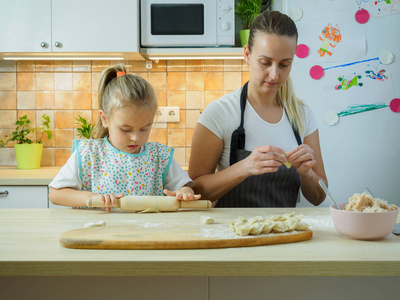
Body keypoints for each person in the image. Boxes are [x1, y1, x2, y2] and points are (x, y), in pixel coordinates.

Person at [189, 10, 327, 207]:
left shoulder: (303, 115)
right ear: (247, 54)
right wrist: (245, 167)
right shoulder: (219, 113)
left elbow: (319, 197)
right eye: (265, 62)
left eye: (284, 64)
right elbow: (195, 190)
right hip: (233, 234)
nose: (274, 75)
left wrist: (307, 173)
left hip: (286, 234)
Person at [49, 65, 200, 211]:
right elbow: (56, 194)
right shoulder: (88, 154)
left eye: (144, 128)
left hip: (147, 233)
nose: (135, 137)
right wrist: (94, 198)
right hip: (99, 232)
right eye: (126, 129)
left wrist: (185, 193)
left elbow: (184, 186)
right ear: (104, 118)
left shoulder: (160, 156)